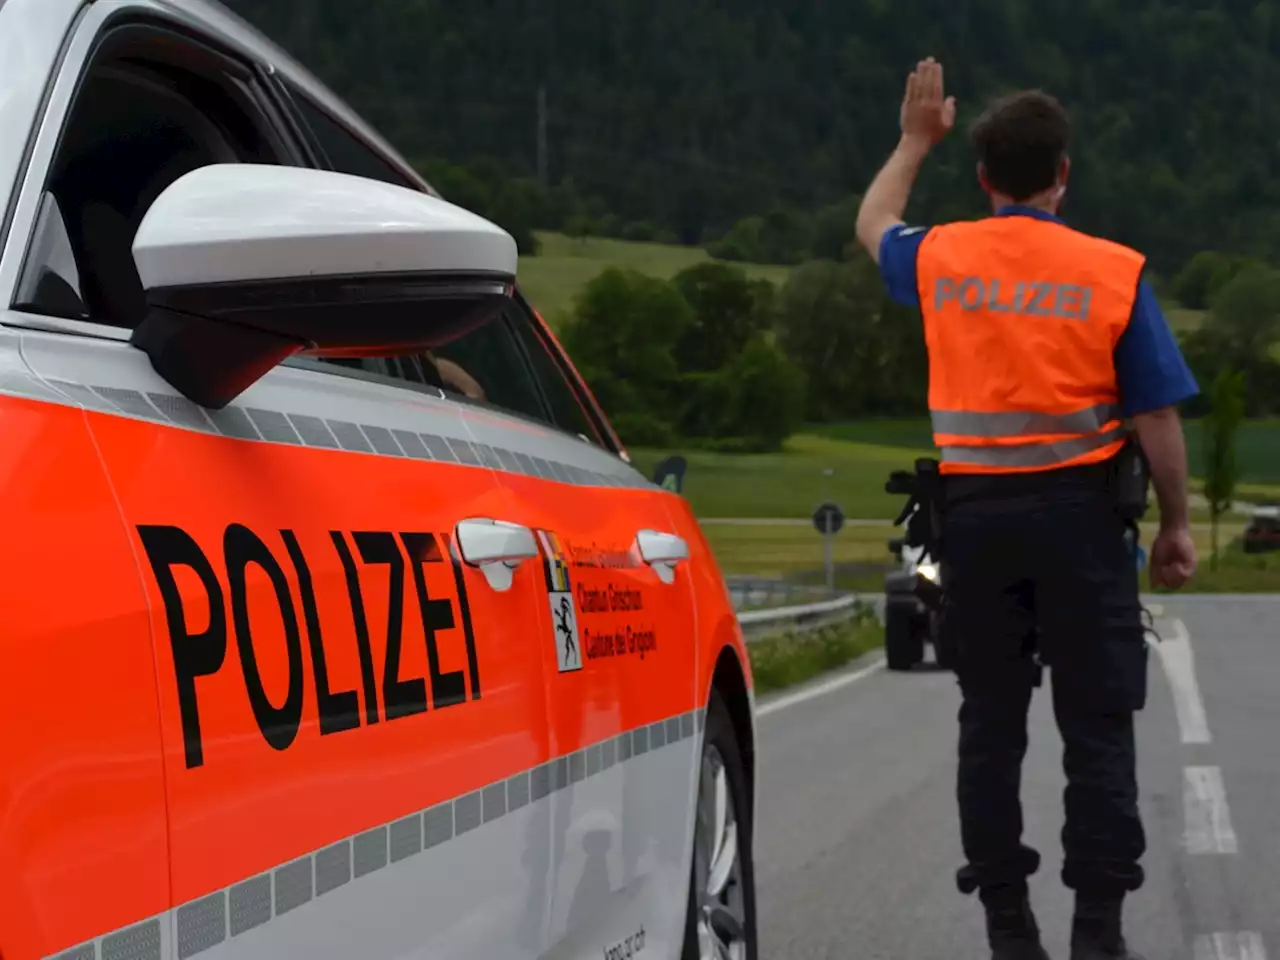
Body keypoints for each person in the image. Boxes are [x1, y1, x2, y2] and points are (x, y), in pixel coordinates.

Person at [855, 59, 1199, 960]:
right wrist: (1176, 525)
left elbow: (871, 224)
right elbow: (1156, 414)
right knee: (1097, 728)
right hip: (1083, 524)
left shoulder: (942, 256)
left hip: (973, 523)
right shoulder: (1112, 271)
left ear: (982, 178)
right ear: (1063, 174)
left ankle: (1009, 925)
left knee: (991, 728)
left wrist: (911, 138)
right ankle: (1099, 933)